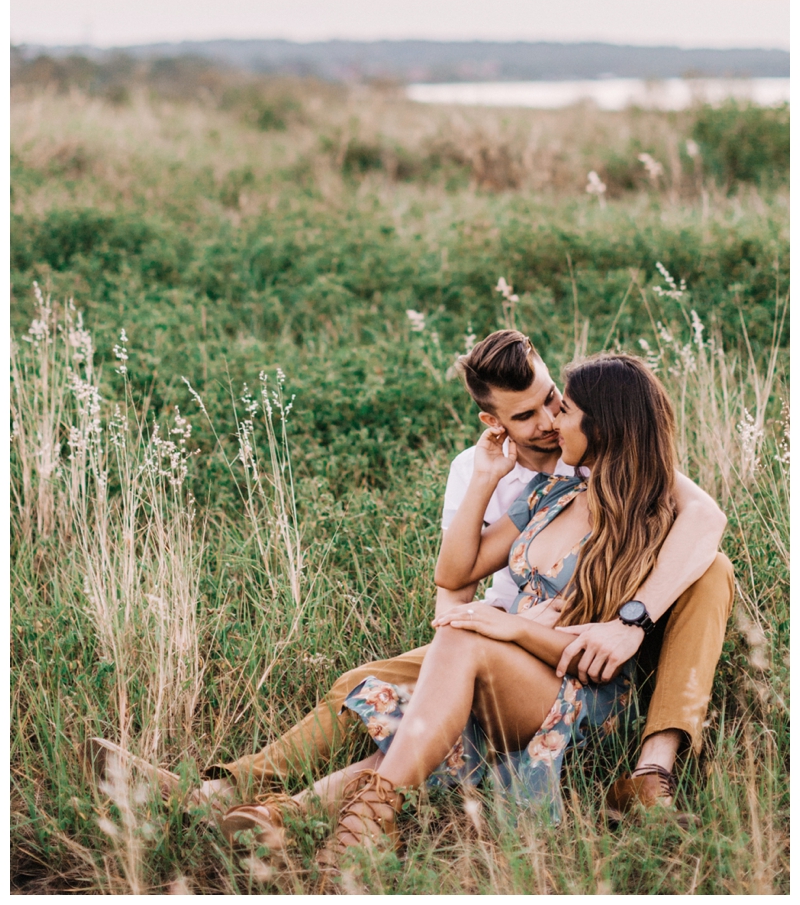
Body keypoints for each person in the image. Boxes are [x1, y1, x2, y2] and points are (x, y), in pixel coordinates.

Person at [84, 333, 733, 834]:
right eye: (530, 412)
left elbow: (699, 511)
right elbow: (452, 579)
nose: (546, 422)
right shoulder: (526, 482)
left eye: (555, 406)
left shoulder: (628, 486)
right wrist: (484, 486)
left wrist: (627, 620)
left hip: (546, 661)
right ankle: (231, 801)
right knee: (365, 692)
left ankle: (654, 769)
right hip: (495, 636)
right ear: (494, 420)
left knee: (713, 568)